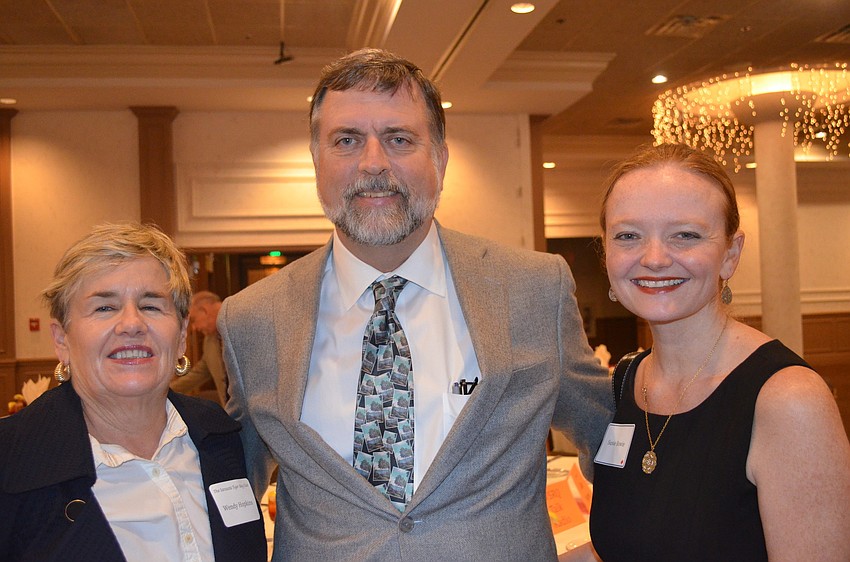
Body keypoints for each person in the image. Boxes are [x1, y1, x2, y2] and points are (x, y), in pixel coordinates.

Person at [219, 48, 613, 560]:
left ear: (440, 158)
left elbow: (608, 440)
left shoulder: (533, 289)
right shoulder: (252, 319)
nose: (374, 164)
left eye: (399, 139)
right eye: (347, 140)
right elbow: (233, 491)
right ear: (316, 160)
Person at [579, 144, 850, 560]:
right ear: (607, 254)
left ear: (730, 254)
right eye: (628, 236)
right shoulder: (622, 383)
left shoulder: (788, 400)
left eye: (685, 235)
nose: (654, 258)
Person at [0, 223, 266, 562]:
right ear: (61, 340)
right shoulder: (12, 461)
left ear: (182, 335)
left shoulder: (220, 437)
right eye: (104, 307)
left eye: (151, 305)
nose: (132, 324)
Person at [171, 291, 229, 406]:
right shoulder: (209, 341)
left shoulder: (242, 323)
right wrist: (165, 391)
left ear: (204, 310)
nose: (194, 327)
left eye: (193, 320)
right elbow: (199, 373)